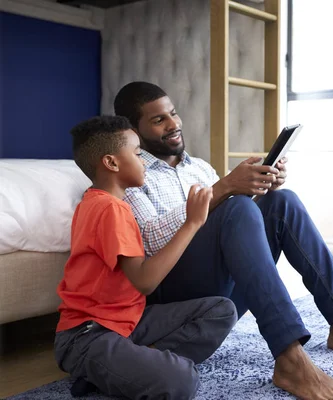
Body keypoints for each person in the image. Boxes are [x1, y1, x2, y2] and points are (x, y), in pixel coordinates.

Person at [115, 81, 333, 400]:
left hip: (224, 290)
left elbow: (234, 225)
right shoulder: (131, 175)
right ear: (134, 129)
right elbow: (151, 240)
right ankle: (290, 358)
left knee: (282, 202)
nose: (174, 124)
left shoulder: (198, 167)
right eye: (159, 120)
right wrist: (225, 187)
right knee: (236, 204)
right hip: (178, 298)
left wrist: (262, 182)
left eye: (173, 114)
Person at [54, 115, 237, 400]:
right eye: (138, 154)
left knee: (221, 310)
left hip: (129, 321)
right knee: (182, 381)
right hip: (87, 336)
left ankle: (119, 371)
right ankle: (109, 368)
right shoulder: (109, 209)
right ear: (112, 163)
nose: (144, 161)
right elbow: (145, 281)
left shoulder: (102, 202)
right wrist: (192, 223)